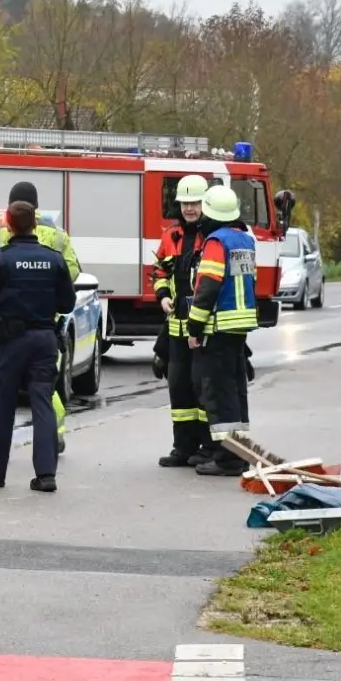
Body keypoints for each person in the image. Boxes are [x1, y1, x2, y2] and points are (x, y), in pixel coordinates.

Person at [0, 201, 76, 492]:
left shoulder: (0, 259)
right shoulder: (53, 259)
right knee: (42, 404)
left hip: (10, 341)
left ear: (9, 223)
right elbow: (67, 303)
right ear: (35, 224)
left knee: (3, 407)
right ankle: (46, 474)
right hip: (44, 339)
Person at [186, 184, 258, 477]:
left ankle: (228, 459)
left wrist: (194, 325)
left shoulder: (216, 242)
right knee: (235, 392)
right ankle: (238, 453)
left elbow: (208, 287)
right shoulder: (245, 240)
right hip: (239, 325)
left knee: (218, 393)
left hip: (218, 327)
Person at [153, 174, 212, 468]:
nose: (190, 208)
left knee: (201, 389)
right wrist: (162, 296)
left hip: (202, 329)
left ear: (205, 204)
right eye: (185, 203)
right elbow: (160, 272)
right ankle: (183, 448)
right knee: (179, 388)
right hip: (176, 328)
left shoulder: (212, 236)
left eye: (195, 203)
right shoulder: (171, 235)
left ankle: (206, 447)